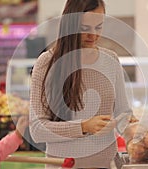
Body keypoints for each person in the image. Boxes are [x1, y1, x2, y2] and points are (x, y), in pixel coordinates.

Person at [30, 0, 137, 168]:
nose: (93, 35)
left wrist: (132, 128)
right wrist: (84, 126)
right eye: (85, 28)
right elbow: (37, 129)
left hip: (107, 164)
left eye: (99, 27)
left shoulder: (111, 60)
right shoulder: (46, 63)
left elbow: (122, 113)